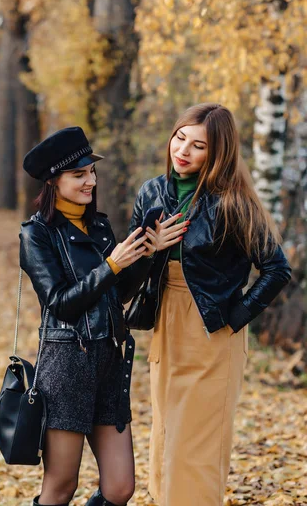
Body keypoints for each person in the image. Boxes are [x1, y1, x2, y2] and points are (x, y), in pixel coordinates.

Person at [128, 103, 292, 506]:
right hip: (167, 322)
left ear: (217, 153)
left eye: (198, 145)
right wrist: (152, 251)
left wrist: (235, 317)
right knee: (166, 438)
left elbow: (276, 269)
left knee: (196, 447)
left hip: (213, 328)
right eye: (179, 137)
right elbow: (129, 269)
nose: (182, 150)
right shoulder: (152, 192)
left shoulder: (235, 203)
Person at [20, 126, 156, 506]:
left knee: (119, 488)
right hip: (66, 367)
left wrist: (146, 255)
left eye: (91, 173)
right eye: (79, 175)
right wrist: (111, 266)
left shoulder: (99, 226)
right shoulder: (37, 234)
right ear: (54, 180)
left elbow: (118, 293)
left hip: (109, 364)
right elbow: (60, 303)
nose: (90, 181)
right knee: (61, 486)